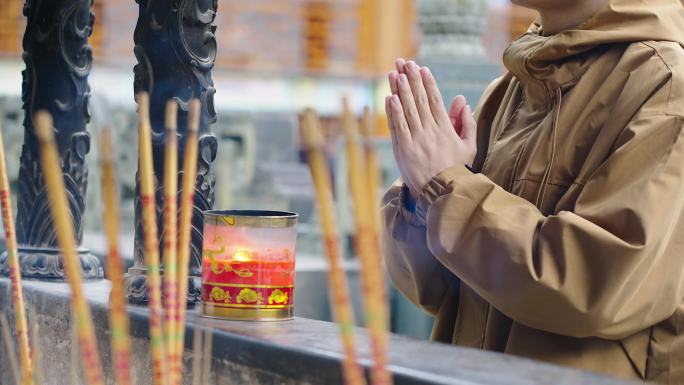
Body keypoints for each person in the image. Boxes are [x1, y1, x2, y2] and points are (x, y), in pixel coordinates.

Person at [381, 0, 684, 382]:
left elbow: (596, 287)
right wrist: (419, 189)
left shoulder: (666, 87)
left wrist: (446, 187)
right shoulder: (513, 87)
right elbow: (435, 291)